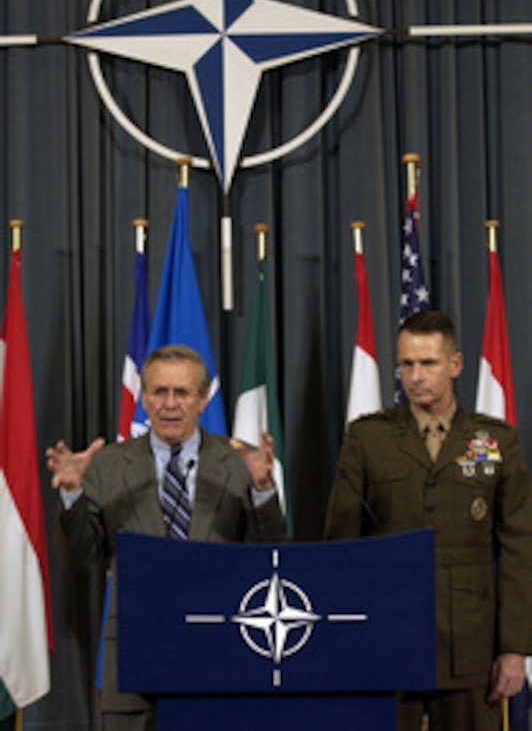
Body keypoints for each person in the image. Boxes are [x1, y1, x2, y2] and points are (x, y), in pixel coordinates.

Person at [46, 344, 287, 731]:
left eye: (182, 393)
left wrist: (262, 491)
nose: (169, 404)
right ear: (143, 397)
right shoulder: (106, 465)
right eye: (159, 392)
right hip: (133, 662)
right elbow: (78, 560)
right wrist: (72, 494)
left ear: (204, 398)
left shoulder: (241, 461)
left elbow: (273, 559)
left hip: (219, 657)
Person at [324, 309, 532, 731]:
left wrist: (514, 648)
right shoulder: (368, 438)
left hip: (471, 645)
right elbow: (340, 546)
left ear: (455, 365)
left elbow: (518, 548)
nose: (416, 376)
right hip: (385, 636)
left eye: (428, 363)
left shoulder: (495, 440)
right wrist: (344, 639)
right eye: (407, 364)